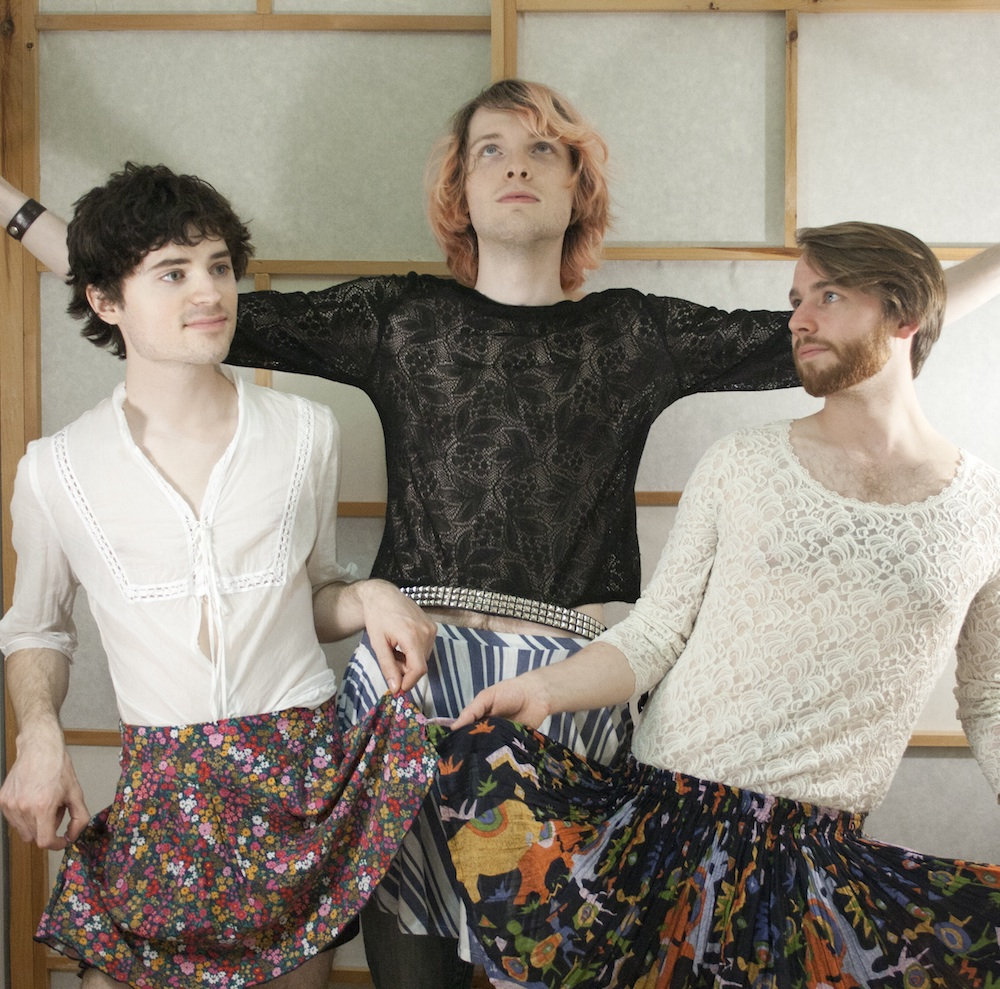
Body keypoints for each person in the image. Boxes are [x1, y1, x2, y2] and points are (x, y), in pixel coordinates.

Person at [4, 79, 1000, 989]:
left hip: (573, 679)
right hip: (413, 679)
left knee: (555, 967)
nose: (515, 165)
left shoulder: (637, 330)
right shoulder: (397, 316)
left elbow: (863, 324)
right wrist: (13, 209)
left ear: (577, 188)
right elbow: (167, 300)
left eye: (542, 149)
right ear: (461, 190)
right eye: (489, 149)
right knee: (410, 967)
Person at [435, 220, 1000, 988]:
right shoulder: (741, 462)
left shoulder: (983, 508)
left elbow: (990, 697)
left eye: (829, 296)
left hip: (816, 862)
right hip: (662, 825)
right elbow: (654, 635)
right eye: (796, 299)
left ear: (906, 313)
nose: (799, 319)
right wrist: (542, 690)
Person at [0, 163, 439, 989]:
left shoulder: (306, 432)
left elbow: (309, 597)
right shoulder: (54, 469)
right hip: (162, 792)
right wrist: (39, 732)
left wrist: (369, 595)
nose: (209, 290)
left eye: (219, 266)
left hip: (297, 782)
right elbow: (37, 629)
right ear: (105, 300)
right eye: (173, 272)